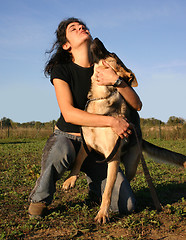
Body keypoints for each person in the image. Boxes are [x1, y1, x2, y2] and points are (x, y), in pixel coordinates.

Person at [28, 17, 142, 220]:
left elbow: (137, 105)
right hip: (69, 137)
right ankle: (40, 199)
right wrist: (111, 121)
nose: (82, 28)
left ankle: (95, 189)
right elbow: (69, 113)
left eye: (83, 26)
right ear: (66, 45)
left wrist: (116, 80)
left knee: (128, 205)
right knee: (60, 151)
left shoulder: (105, 64)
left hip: (99, 144)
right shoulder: (62, 70)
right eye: (74, 29)